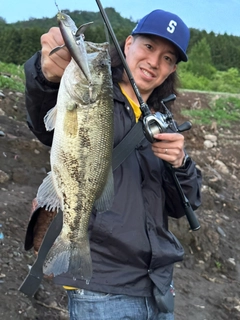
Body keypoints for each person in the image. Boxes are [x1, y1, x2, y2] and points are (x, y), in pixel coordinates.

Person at [24, 9, 202, 320]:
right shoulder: (98, 95)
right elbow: (43, 121)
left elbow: (183, 205)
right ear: (128, 43)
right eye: (149, 47)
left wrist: (181, 163)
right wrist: (44, 74)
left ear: (171, 69)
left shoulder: (162, 121)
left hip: (158, 287)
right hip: (102, 288)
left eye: (168, 58)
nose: (155, 62)